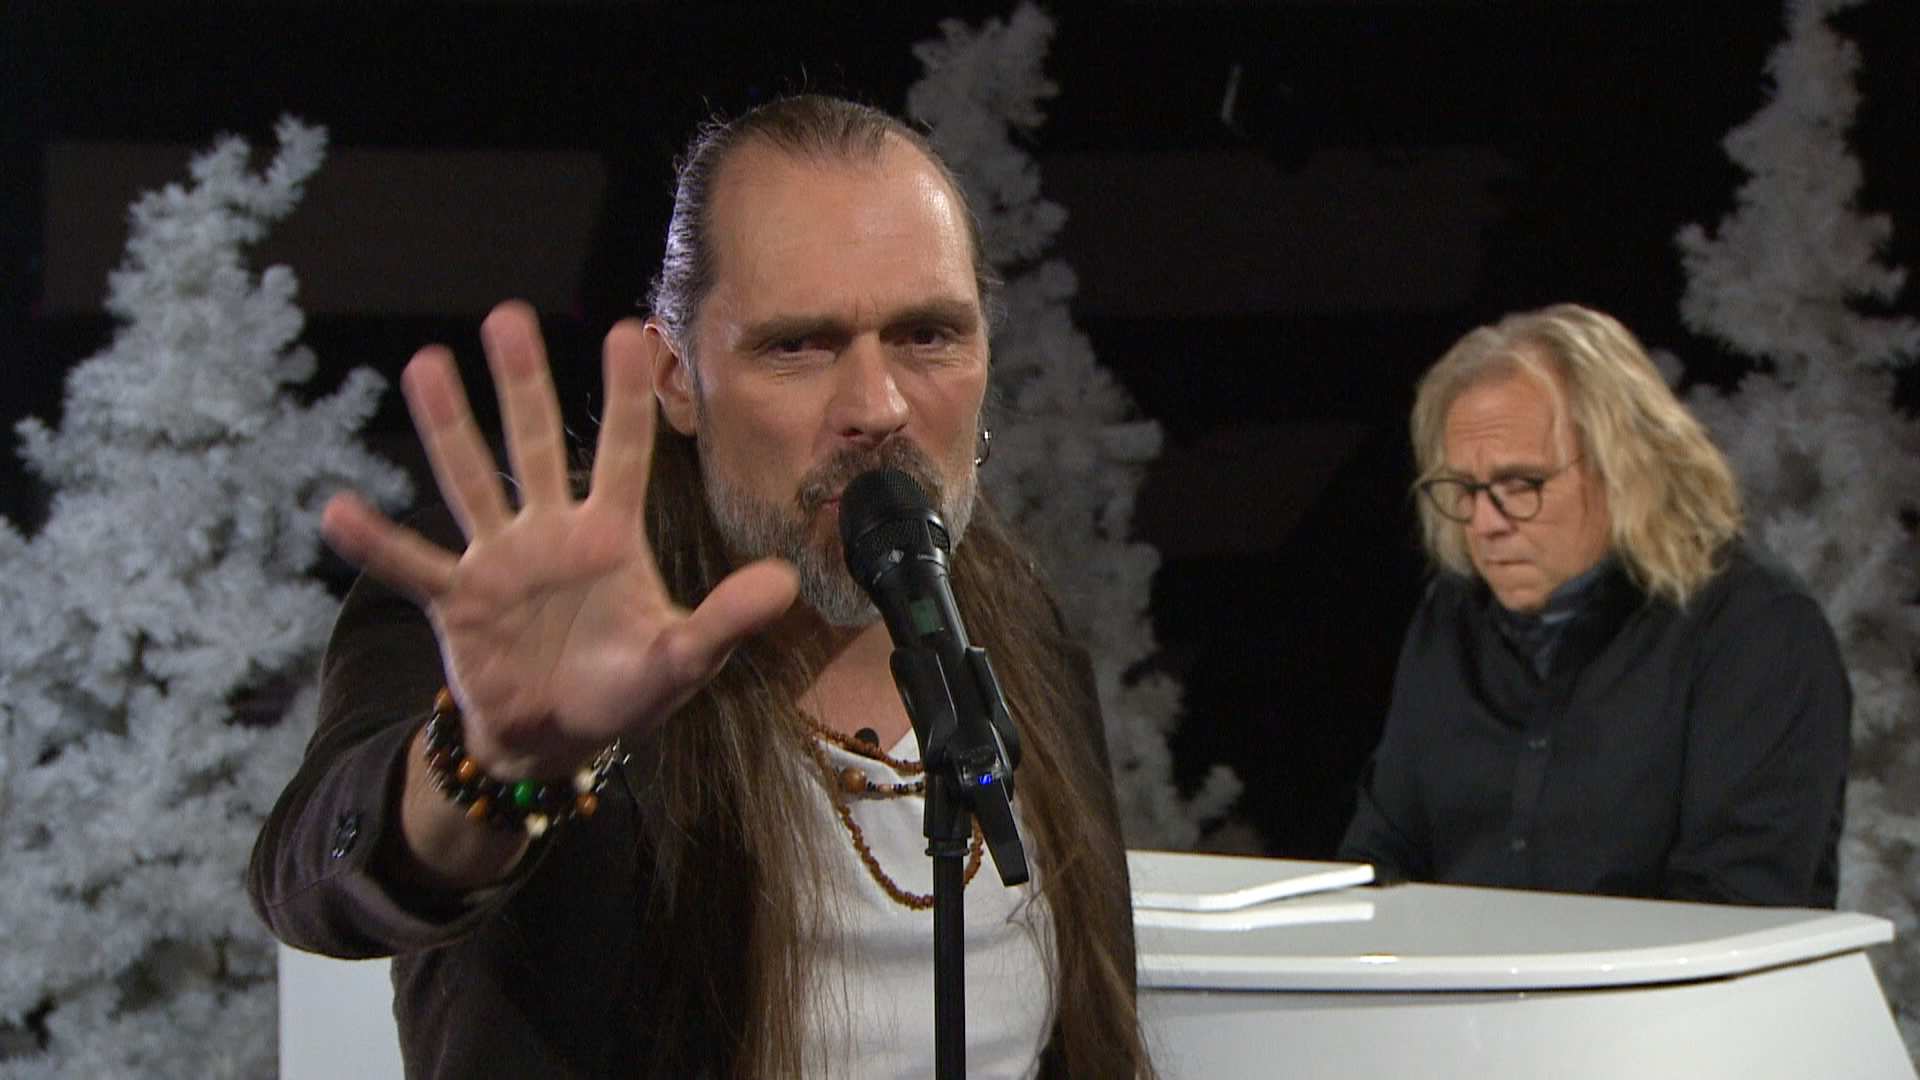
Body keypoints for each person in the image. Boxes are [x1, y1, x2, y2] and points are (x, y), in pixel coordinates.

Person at [249, 95, 1152, 1078]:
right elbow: (313, 882)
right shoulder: (533, 596)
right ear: (676, 377)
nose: (878, 406)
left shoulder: (1016, 620)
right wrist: (497, 766)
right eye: (797, 345)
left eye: (928, 334)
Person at [1338, 303, 1850, 907]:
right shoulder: (1450, 621)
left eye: (1520, 485)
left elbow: (1734, 907)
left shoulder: (1755, 631)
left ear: (1624, 468)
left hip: (1666, 972)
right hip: (1466, 971)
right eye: (1466, 490)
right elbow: (1379, 859)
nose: (1483, 523)